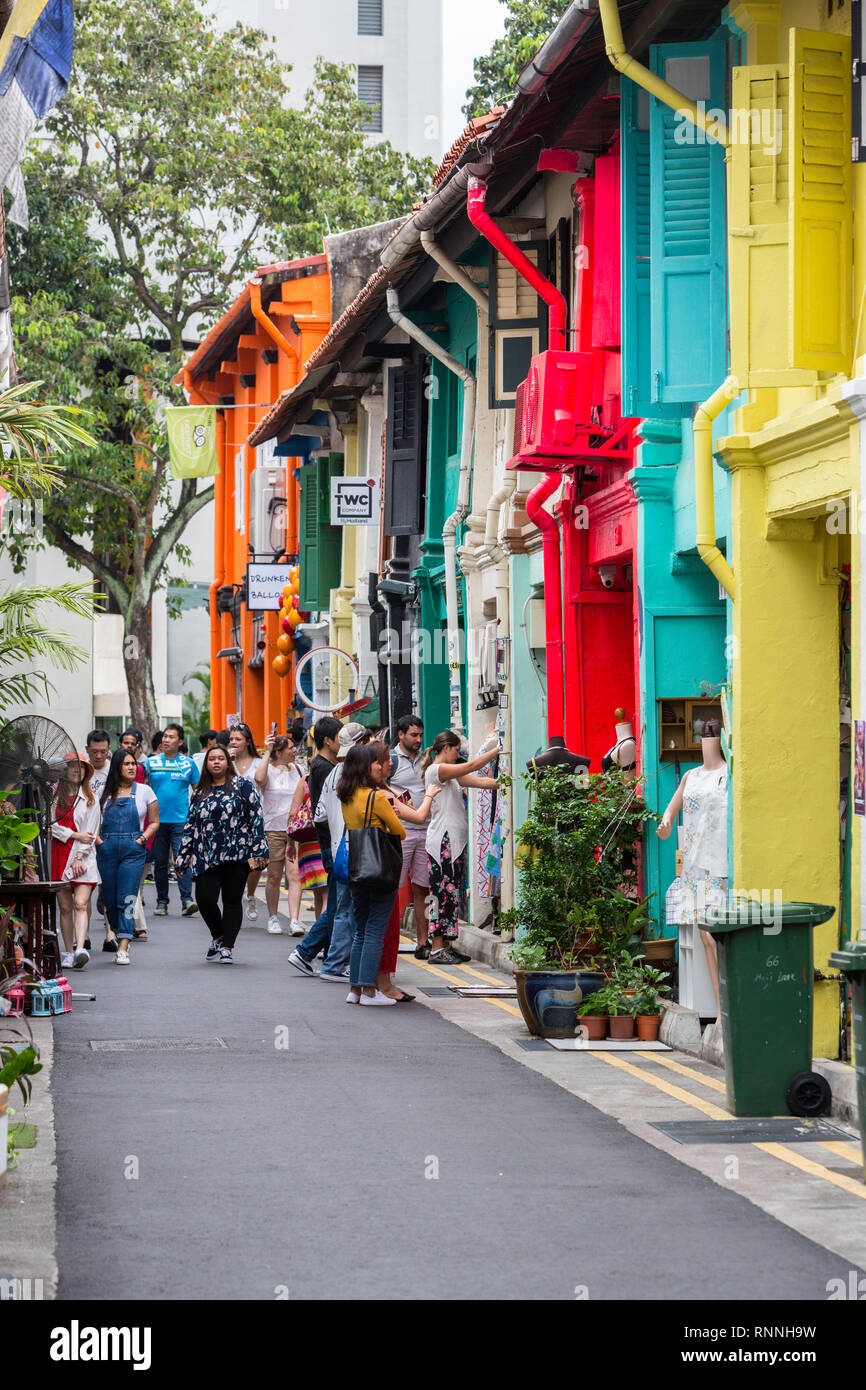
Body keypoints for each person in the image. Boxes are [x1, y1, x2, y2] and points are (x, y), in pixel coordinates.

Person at [289, 723, 370, 980]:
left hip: (333, 845)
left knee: (338, 906)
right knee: (340, 908)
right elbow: (322, 813)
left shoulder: (329, 769)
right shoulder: (334, 770)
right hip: (339, 847)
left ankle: (313, 953)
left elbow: (321, 812)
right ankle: (316, 955)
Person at [174, 744, 268, 965]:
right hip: (207, 854)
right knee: (204, 899)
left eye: (220, 758)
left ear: (228, 762)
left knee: (232, 900)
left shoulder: (243, 785)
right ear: (206, 764)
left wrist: (259, 849)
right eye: (211, 759)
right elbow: (190, 825)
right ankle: (218, 936)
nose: (216, 762)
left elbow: (256, 817)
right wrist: (182, 858)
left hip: (238, 852)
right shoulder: (200, 791)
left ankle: (227, 947)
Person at [372, 740, 441, 1001]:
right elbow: (414, 819)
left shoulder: (364, 791)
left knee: (373, 927)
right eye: (384, 761)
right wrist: (431, 795)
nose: (390, 763)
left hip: (371, 864)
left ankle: (366, 987)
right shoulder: (381, 795)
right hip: (385, 859)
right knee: (384, 927)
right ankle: (380, 986)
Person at [339, 744, 406, 1007]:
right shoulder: (377, 798)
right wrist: (396, 810)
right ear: (365, 767)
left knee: (361, 930)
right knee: (376, 930)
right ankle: (369, 991)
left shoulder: (346, 795)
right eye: (376, 762)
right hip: (380, 868)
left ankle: (355, 988)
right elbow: (399, 831)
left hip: (358, 867)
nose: (381, 766)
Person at [423, 732, 499, 965]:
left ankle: (445, 945)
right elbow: (474, 765)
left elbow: (480, 781)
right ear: (446, 748)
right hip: (442, 843)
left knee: (451, 894)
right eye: (456, 750)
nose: (458, 755)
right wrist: (500, 748)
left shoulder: (451, 775)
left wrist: (505, 782)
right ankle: (437, 948)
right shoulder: (437, 771)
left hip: (453, 843)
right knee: (441, 895)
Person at [96, 751, 158, 966]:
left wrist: (142, 839)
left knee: (128, 897)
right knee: (110, 900)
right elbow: (92, 821)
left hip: (133, 850)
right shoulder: (103, 793)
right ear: (116, 767)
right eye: (126, 764)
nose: (132, 767)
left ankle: (123, 944)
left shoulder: (145, 791)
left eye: (133, 764)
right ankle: (117, 930)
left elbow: (154, 822)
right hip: (107, 849)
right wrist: (98, 842)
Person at [389, 715, 435, 960]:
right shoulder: (391, 760)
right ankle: (388, 940)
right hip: (401, 832)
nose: (418, 740)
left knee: (423, 889)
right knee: (392, 887)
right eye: (413, 735)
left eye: (420, 735)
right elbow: (378, 787)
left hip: (427, 831)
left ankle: (422, 942)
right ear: (400, 735)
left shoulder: (427, 759)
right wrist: (396, 793)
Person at [51, 751, 101, 971]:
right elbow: (48, 826)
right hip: (58, 855)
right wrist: (73, 835)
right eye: (72, 766)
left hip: (84, 858)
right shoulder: (53, 796)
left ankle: (80, 948)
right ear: (64, 770)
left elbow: (91, 831)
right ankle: (68, 952)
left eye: (81, 767)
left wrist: (80, 855)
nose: (76, 770)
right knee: (64, 907)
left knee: (81, 903)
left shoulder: (91, 797)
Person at [146, 723, 200, 917]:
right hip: (156, 821)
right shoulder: (151, 763)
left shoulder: (188, 763)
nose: (166, 740)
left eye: (171, 737)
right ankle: (162, 902)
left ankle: (187, 900)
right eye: (165, 736)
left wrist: (194, 814)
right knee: (160, 862)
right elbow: (143, 788)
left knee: (182, 860)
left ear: (180, 741)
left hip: (181, 821)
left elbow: (199, 790)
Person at [255, 734, 303, 936]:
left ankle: (294, 920)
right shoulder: (268, 770)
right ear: (278, 752)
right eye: (290, 748)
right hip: (272, 828)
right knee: (274, 875)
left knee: (294, 875)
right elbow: (258, 779)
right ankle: (273, 917)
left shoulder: (299, 770)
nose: (294, 751)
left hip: (295, 829)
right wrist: (266, 751)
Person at [226, 724, 263, 921]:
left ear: (248, 742)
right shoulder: (225, 762)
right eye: (231, 739)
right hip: (231, 820)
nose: (233, 742)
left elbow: (263, 782)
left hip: (254, 819)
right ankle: (235, 896)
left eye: (238, 739)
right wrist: (228, 761)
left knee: (255, 864)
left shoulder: (258, 762)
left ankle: (250, 895)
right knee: (235, 863)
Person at [84, 730, 112, 951]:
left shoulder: (115, 771)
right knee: (85, 888)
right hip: (85, 837)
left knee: (109, 887)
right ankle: (82, 936)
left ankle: (110, 934)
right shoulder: (82, 772)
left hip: (110, 834)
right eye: (95, 752)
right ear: (87, 751)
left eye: (103, 751)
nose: (99, 756)